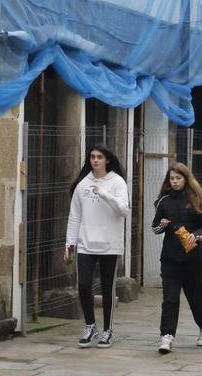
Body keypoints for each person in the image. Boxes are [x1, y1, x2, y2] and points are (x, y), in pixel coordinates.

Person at [65, 144, 131, 349]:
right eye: (92, 157)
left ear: (107, 160)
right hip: (86, 243)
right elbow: (74, 216)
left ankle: (107, 330)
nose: (95, 160)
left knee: (107, 287)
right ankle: (90, 325)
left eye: (99, 157)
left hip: (109, 244)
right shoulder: (82, 184)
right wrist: (69, 243)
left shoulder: (117, 182)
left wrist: (104, 194)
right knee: (83, 285)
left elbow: (124, 210)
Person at [151, 163, 202, 355]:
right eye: (172, 178)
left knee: (195, 297)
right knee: (170, 298)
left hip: (192, 259)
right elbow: (154, 228)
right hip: (169, 258)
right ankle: (167, 336)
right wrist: (161, 225)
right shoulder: (164, 202)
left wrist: (196, 236)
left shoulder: (195, 199)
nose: (175, 181)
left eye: (178, 178)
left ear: (185, 179)